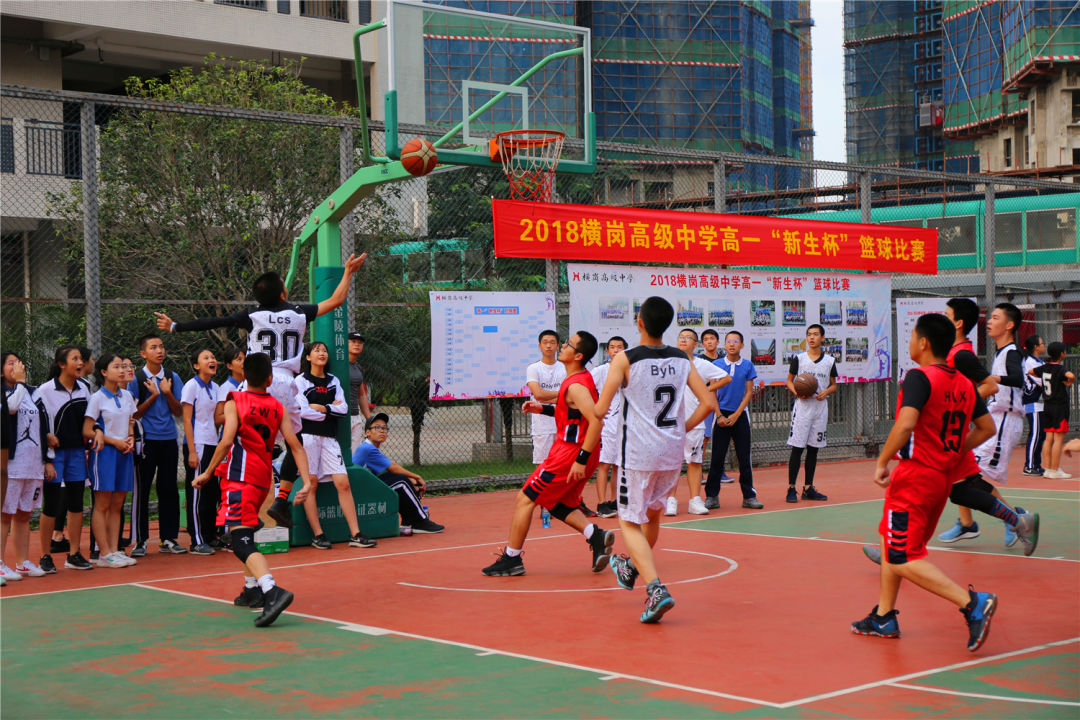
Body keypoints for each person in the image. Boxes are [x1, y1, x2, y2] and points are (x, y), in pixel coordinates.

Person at [155, 253, 365, 528]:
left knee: (241, 439)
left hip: (257, 382)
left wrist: (175, 326)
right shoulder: (299, 313)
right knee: (295, 443)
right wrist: (348, 272)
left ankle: (236, 507)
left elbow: (215, 323)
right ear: (283, 291)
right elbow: (336, 301)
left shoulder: (252, 315)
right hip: (286, 385)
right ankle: (281, 499)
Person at [852, 313, 1000, 652]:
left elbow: (905, 425)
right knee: (891, 543)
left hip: (915, 477)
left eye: (912, 337)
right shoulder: (963, 382)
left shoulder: (919, 378)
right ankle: (883, 616)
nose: (910, 343)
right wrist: (951, 450)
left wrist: (881, 461)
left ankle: (972, 603)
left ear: (923, 343)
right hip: (941, 479)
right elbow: (986, 428)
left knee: (903, 555)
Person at [862, 299, 1038, 564]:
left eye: (947, 314)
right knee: (959, 489)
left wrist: (957, 405)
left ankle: (895, 549)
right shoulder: (949, 358)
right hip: (947, 433)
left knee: (949, 488)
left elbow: (989, 386)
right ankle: (995, 522)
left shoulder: (961, 356)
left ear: (957, 323)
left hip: (945, 433)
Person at [596, 297, 719, 623]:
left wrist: (567, 403)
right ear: (667, 325)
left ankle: (655, 588)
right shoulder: (681, 358)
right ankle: (632, 566)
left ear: (639, 322)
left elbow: (599, 409)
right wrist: (682, 428)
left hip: (636, 454)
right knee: (652, 518)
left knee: (628, 521)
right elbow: (708, 403)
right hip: (670, 452)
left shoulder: (624, 360)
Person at [192, 352, 315, 627]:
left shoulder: (236, 401)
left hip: (240, 477)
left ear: (244, 377)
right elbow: (296, 446)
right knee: (240, 531)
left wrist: (207, 472)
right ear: (270, 380)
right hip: (262, 480)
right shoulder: (277, 407)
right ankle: (251, 589)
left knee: (239, 540)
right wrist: (305, 481)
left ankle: (271, 590)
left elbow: (225, 443)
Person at [482, 331, 612, 577]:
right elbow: (573, 415)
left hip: (571, 453)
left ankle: (512, 559)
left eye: (568, 344)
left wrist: (581, 460)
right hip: (578, 450)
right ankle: (596, 537)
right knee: (558, 503)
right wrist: (542, 408)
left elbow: (596, 421)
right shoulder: (575, 378)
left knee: (525, 498)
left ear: (578, 355)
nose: (562, 346)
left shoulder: (575, 385)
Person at [939, 302, 1028, 546]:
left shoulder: (1010, 352)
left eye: (996, 317)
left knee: (972, 478)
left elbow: (1015, 380)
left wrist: (988, 381)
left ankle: (1015, 519)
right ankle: (969, 523)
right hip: (996, 416)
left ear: (1009, 325)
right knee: (963, 476)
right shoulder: (1000, 352)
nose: (989, 321)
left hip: (1003, 421)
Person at [294, 341, 376, 549]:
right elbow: (302, 411)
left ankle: (356, 534)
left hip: (330, 439)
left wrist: (320, 408)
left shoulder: (333, 381)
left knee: (343, 483)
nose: (321, 353)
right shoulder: (300, 381)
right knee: (310, 484)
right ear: (308, 357)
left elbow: (344, 409)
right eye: (316, 350)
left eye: (324, 351)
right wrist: (330, 410)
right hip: (308, 437)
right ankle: (318, 534)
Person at [32, 347, 94, 570]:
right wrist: (47, 452)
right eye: (74, 359)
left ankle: (74, 554)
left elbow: (89, 420)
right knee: (52, 504)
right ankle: (45, 556)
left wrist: (95, 433)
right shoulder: (44, 391)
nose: (80, 363)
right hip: (54, 455)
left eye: (81, 359)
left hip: (77, 452)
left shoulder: (84, 388)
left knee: (76, 504)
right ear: (62, 364)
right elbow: (38, 424)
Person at [126, 334, 185, 556]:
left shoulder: (172, 377)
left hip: (168, 439)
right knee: (142, 490)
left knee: (168, 489)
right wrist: (152, 396)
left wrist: (167, 394)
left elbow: (178, 411)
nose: (159, 350)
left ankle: (168, 538)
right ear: (143, 353)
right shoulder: (135, 378)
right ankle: (140, 540)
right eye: (153, 347)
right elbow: (133, 413)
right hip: (145, 441)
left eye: (161, 346)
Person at [664, 329, 730, 516]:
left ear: (696, 344)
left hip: (695, 421)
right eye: (680, 337)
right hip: (671, 422)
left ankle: (694, 500)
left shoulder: (701, 365)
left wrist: (707, 388)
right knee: (672, 463)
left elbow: (726, 378)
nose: (683, 340)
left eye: (688, 338)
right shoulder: (668, 364)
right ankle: (670, 500)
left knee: (694, 461)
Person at [83, 354, 138, 568]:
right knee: (102, 504)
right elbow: (87, 429)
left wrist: (131, 437)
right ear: (104, 372)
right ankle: (103, 553)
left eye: (123, 366)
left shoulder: (126, 396)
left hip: (125, 453)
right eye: (117, 367)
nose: (122, 370)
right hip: (104, 453)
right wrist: (114, 441)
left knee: (117, 505)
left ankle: (115, 550)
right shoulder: (97, 398)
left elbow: (130, 422)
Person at [352, 413, 444, 535]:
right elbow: (393, 468)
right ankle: (418, 521)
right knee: (401, 482)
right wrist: (416, 477)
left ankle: (409, 520)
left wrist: (411, 479)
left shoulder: (370, 448)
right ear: (367, 433)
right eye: (377, 428)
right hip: (359, 491)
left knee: (402, 480)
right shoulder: (367, 448)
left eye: (384, 428)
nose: (382, 431)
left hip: (365, 486)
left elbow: (389, 466)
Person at [2, 351, 50, 579]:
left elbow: (44, 425)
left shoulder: (34, 392)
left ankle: (22, 562)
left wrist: (47, 459)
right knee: (4, 515)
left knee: (24, 514)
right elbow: (10, 408)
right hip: (11, 466)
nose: (16, 366)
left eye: (18, 362)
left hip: (33, 465)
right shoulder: (4, 392)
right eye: (10, 363)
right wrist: (20, 384)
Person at [704, 330, 764, 510]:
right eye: (728, 341)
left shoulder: (747, 365)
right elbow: (711, 391)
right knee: (717, 457)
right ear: (724, 345)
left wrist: (737, 414)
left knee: (744, 458)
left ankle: (749, 496)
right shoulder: (716, 364)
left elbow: (748, 393)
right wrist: (719, 415)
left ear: (742, 345)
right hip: (721, 414)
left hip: (740, 414)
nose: (731, 344)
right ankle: (712, 496)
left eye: (735, 341)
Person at [785, 324, 836, 503]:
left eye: (815, 334)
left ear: (822, 338)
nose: (812, 337)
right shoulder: (799, 359)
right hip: (803, 409)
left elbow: (834, 385)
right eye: (809, 335)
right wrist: (796, 392)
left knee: (813, 450)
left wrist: (826, 392)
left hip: (820, 409)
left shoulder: (829, 361)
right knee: (797, 448)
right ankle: (791, 488)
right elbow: (789, 381)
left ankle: (808, 487)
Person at [182, 348, 223, 555]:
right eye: (206, 358)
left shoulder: (216, 387)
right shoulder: (191, 386)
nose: (212, 360)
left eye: (213, 357)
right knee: (197, 492)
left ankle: (209, 535)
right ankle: (196, 539)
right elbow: (187, 420)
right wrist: (191, 451)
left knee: (210, 492)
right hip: (197, 443)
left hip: (212, 443)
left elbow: (216, 418)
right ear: (197, 365)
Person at [589, 335, 626, 518]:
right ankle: (601, 503)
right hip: (608, 425)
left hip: (624, 426)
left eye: (619, 347)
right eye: (612, 347)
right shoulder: (601, 371)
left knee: (618, 466)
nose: (616, 350)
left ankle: (615, 501)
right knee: (604, 464)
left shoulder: (630, 371)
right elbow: (586, 387)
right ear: (607, 351)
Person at [1029, 342, 1075, 479]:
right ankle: (1055, 470)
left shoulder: (1044, 368)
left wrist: (1043, 380)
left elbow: (1030, 372)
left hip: (1047, 406)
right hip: (1059, 407)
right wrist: (1068, 381)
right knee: (1058, 439)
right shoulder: (1060, 369)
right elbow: (1071, 375)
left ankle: (1048, 469)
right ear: (1062, 354)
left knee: (1048, 438)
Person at [525, 330, 566, 466]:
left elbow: (571, 395)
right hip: (542, 426)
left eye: (552, 342)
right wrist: (561, 395)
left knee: (563, 466)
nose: (549, 346)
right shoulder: (533, 368)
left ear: (558, 346)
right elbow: (538, 395)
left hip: (563, 424)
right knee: (542, 467)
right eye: (545, 342)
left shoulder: (565, 368)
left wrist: (551, 397)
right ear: (539, 346)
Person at [699, 329, 731, 483]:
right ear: (702, 343)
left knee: (721, 439)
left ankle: (719, 472)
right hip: (705, 404)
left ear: (718, 342)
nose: (709, 341)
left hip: (722, 403)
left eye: (712, 338)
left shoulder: (725, 361)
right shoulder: (700, 361)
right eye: (706, 339)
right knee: (704, 439)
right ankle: (698, 473)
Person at [1021, 335, 1047, 476]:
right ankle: (1029, 466)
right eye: (1042, 343)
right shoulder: (1031, 362)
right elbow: (1042, 382)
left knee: (1040, 434)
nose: (1044, 345)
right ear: (1036, 347)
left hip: (1038, 402)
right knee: (1035, 433)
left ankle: (1036, 464)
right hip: (1031, 402)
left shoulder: (1038, 361)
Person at [347, 332, 372, 452]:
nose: (357, 345)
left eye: (360, 343)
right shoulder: (337, 365)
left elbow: (361, 394)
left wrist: (369, 419)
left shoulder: (358, 368)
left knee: (354, 455)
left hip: (355, 415)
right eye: (353, 342)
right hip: (340, 415)